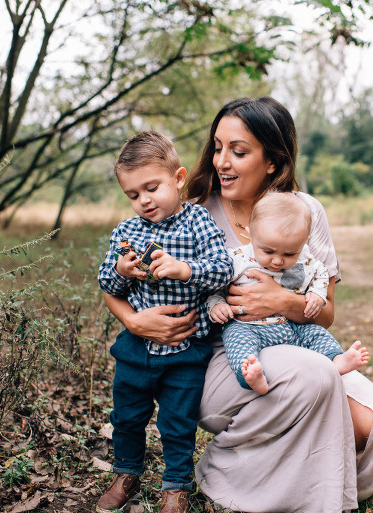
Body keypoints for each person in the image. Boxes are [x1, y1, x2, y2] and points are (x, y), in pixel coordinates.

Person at [104, 97, 373, 512]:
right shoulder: (193, 212)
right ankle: (232, 473)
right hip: (220, 356)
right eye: (219, 147)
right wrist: (135, 323)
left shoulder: (305, 210)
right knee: (317, 376)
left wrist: (282, 300)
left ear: (273, 162)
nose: (222, 161)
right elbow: (118, 280)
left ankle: (307, 478)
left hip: (292, 338)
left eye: (239, 152)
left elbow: (328, 312)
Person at [96, 131, 233, 513]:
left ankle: (175, 486)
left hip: (187, 349)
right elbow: (106, 283)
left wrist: (184, 269)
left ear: (178, 178)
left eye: (151, 188)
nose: (144, 200)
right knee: (126, 415)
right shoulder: (126, 232)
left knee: (177, 421)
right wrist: (122, 270)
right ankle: (126, 472)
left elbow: (223, 270)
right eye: (133, 195)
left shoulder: (198, 222)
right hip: (137, 349)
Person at [207, 191, 369, 394]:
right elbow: (215, 287)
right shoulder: (237, 259)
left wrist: (317, 294)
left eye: (289, 254)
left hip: (290, 326)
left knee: (316, 333)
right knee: (236, 341)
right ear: (250, 234)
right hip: (247, 327)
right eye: (268, 251)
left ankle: (336, 359)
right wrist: (216, 304)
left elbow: (320, 272)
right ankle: (251, 375)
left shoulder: (304, 259)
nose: (277, 261)